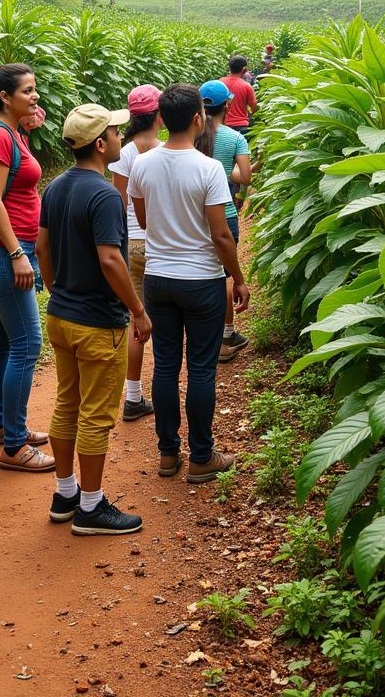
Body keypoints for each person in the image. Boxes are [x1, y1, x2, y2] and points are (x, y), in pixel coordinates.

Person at [37, 104, 153, 535]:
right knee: (96, 414)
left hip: (62, 315)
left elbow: (42, 248)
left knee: (67, 403)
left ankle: (65, 493)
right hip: (97, 322)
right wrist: (137, 311)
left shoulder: (55, 188)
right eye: (115, 132)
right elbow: (110, 259)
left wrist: (57, 289)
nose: (121, 138)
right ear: (100, 144)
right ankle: (91, 506)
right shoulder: (104, 195)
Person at [128, 84, 250, 484]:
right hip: (201, 280)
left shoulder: (143, 164)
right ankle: (200, 456)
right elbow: (220, 235)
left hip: (159, 278)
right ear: (198, 119)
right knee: (200, 369)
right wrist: (237, 276)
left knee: (164, 366)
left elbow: (144, 221)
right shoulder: (208, 168)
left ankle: (167, 455)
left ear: (162, 119)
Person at [0, 64, 54, 472]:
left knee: (3, 341)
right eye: (28, 91)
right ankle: (15, 446)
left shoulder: (9, 132)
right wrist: (19, 254)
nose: (35, 97)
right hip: (4, 250)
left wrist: (28, 127)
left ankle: (4, 427)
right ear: (5, 96)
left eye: (35, 89)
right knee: (27, 344)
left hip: (10, 248)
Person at [109, 85, 162, 421]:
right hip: (157, 244)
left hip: (130, 243)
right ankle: (161, 391)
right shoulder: (162, 151)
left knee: (136, 320)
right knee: (162, 321)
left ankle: (132, 395)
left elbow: (119, 201)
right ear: (158, 115)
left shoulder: (125, 152)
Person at [197, 80, 252, 362]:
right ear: (227, 106)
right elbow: (245, 177)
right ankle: (226, 333)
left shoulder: (190, 136)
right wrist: (232, 171)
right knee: (225, 277)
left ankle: (211, 335)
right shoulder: (235, 138)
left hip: (194, 216)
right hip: (225, 214)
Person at [220, 55, 257, 135]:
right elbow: (254, 105)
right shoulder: (246, 86)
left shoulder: (220, 82)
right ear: (244, 69)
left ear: (230, 68)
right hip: (241, 126)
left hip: (222, 125)